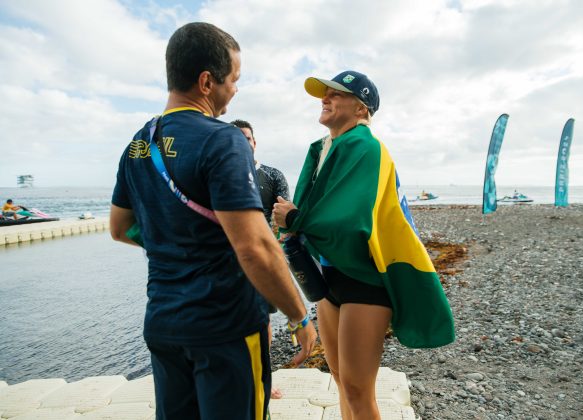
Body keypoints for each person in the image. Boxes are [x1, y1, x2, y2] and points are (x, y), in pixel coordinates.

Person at [109, 22, 316, 420]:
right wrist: (299, 316)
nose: (235, 89)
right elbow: (254, 248)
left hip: (164, 323)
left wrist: (175, 242)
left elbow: (119, 229)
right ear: (207, 81)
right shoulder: (223, 139)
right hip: (225, 327)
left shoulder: (137, 144)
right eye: (234, 79)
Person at [273, 70, 455, 419]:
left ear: (361, 108)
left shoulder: (366, 146)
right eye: (324, 94)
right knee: (341, 380)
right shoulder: (325, 148)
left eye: (336, 94)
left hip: (365, 280)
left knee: (359, 388)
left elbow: (353, 218)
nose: (326, 99)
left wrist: (295, 220)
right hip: (331, 278)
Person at [231, 118, 291, 399]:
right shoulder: (218, 173)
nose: (242, 143)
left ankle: (263, 380)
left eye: (247, 138)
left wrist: (273, 247)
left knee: (261, 321)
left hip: (262, 258)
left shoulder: (272, 175)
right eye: (235, 138)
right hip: (226, 260)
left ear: (254, 143)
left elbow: (284, 216)